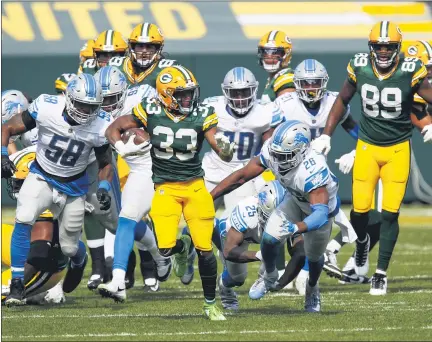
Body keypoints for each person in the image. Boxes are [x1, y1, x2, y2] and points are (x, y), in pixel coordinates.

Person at [312, 21, 432, 295]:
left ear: (397, 48)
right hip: (367, 147)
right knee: (359, 212)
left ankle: (380, 273)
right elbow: (342, 100)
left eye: (388, 46)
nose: (383, 51)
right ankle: (361, 244)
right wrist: (326, 135)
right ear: (370, 47)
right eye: (378, 45)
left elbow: (421, 105)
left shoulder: (410, 70)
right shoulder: (360, 66)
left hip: (397, 149)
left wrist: (429, 124)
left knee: (390, 214)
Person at [1, 74, 114, 305]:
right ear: (70, 98)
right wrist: (3, 155)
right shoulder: (46, 107)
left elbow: (105, 163)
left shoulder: (101, 124)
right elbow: (7, 128)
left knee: (69, 247)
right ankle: (16, 283)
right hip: (41, 176)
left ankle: (80, 260)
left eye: (91, 107)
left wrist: (103, 186)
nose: (85, 111)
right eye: (81, 104)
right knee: (23, 218)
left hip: (74, 188)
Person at [211, 120, 340, 312]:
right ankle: (269, 275)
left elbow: (320, 214)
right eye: (276, 154)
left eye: (284, 156)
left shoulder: (313, 170)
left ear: (302, 152)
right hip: (294, 199)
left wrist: (297, 228)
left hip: (319, 212)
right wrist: (209, 197)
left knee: (314, 256)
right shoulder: (272, 151)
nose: (278, 160)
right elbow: (242, 176)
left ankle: (312, 288)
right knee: (270, 238)